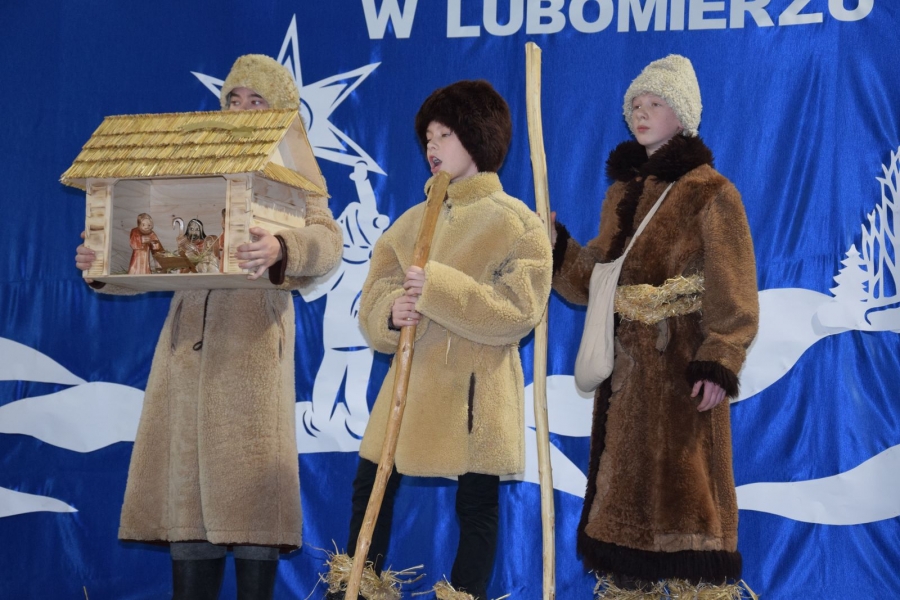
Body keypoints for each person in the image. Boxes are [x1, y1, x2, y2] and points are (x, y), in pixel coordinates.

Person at [74, 54, 343, 600]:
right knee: (188, 507)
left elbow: (328, 241)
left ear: (282, 110)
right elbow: (158, 250)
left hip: (251, 352)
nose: (241, 109)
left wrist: (283, 247)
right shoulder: (197, 165)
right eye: (233, 99)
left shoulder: (297, 169)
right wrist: (103, 264)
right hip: (185, 356)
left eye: (256, 100)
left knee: (250, 504)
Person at [325, 80, 552, 600]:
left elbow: (518, 312)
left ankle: (465, 593)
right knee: (370, 488)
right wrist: (390, 314)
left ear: (477, 137)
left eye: (445, 134)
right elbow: (374, 297)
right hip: (407, 389)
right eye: (428, 137)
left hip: (473, 392)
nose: (432, 146)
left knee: (476, 502)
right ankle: (354, 587)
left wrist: (436, 289)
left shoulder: (517, 223)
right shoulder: (408, 224)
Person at [551, 55, 759, 597]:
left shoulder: (712, 192)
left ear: (683, 116)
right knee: (626, 508)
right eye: (636, 105)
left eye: (656, 103)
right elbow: (594, 279)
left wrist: (719, 361)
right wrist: (557, 248)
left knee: (687, 503)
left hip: (681, 369)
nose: (641, 113)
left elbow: (735, 291)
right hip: (627, 376)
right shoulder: (621, 194)